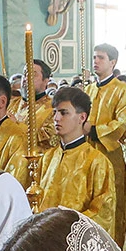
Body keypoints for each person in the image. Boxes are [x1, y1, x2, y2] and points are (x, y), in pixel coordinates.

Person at [37, 87, 115, 236]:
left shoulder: (97, 162)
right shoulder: (47, 157)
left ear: (82, 117)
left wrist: (66, 229)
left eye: (64, 113)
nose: (56, 118)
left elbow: (103, 213)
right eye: (55, 112)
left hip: (73, 240)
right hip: (43, 238)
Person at [87, 43, 126, 244]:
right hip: (88, 155)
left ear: (113, 62)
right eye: (94, 57)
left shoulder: (122, 91)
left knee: (111, 203)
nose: (96, 61)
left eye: (100, 57)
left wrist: (94, 130)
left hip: (112, 158)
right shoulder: (89, 89)